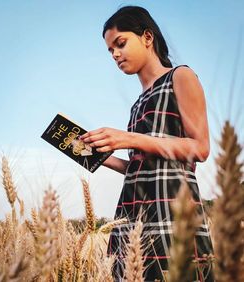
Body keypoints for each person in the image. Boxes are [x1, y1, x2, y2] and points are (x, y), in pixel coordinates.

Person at [80, 6, 214, 282]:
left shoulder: (180, 77)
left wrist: (127, 138)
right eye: (110, 50)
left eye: (121, 43)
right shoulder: (137, 103)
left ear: (147, 37)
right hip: (133, 215)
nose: (115, 54)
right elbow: (141, 166)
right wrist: (101, 155)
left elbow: (200, 148)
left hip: (173, 213)